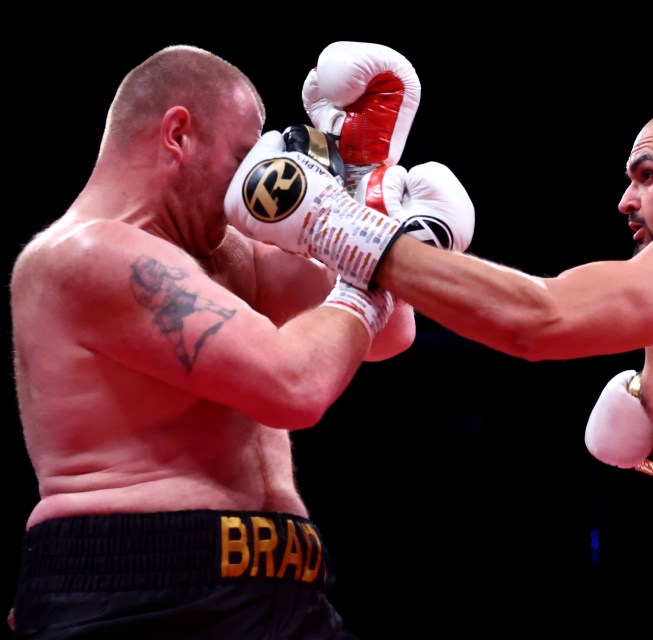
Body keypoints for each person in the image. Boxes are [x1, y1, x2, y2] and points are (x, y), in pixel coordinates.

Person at [227, 102, 653, 638]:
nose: (625, 200)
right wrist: (646, 393)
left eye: (645, 175)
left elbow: (539, 320)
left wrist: (343, 232)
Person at [7, 43, 445, 640]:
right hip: (135, 593)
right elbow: (297, 385)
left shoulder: (231, 249)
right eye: (242, 156)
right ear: (179, 134)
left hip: (287, 587)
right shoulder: (83, 256)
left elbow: (389, 335)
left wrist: (362, 184)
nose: (253, 179)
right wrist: (379, 247)